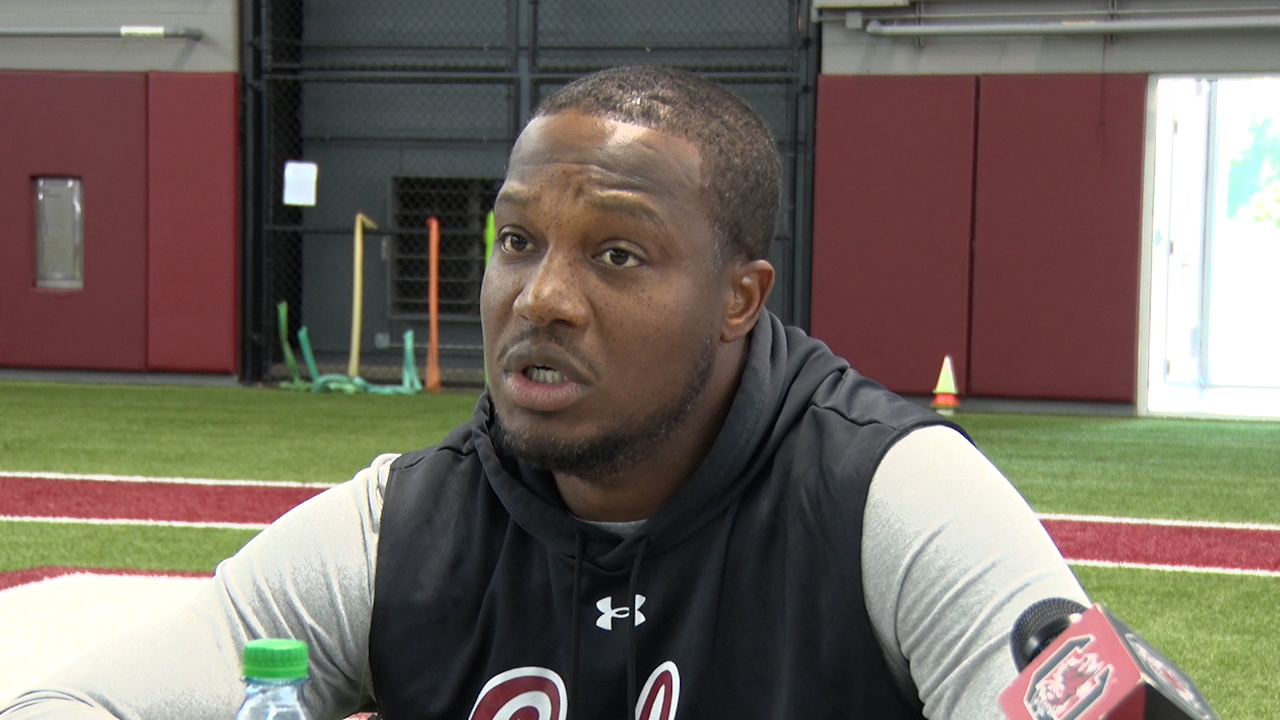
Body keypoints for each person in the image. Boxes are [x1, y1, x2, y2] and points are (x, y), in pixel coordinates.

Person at [1, 66, 1086, 719]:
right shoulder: (402, 531)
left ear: (737, 299)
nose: (543, 298)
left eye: (617, 256)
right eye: (516, 241)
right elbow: (75, 702)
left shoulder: (890, 495)